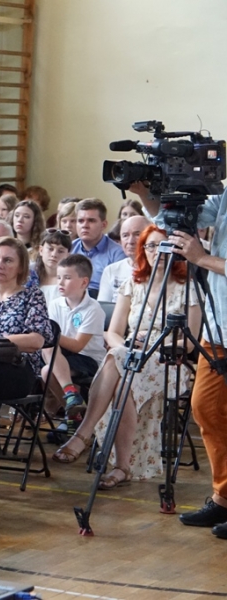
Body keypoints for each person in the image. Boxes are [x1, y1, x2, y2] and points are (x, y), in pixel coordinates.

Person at [52, 226, 200, 489]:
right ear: (143, 251)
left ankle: (84, 434)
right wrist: (131, 349)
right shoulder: (133, 284)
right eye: (152, 246)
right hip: (132, 357)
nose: (158, 252)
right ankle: (122, 467)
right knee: (122, 372)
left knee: (121, 365)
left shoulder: (188, 288)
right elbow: (113, 334)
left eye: (165, 246)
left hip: (169, 362)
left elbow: (189, 342)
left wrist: (154, 346)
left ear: (176, 251)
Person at [135, 184, 227, 537]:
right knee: (205, 408)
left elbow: (198, 255)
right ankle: (224, 496)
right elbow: (174, 219)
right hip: (219, 330)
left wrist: (202, 259)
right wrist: (144, 191)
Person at [0, 236, 54, 460]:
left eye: (7, 260)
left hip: (16, 371)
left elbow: (36, 340)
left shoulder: (31, 296)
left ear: (21, 267)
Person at [42, 254, 105, 420]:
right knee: (47, 356)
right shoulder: (55, 304)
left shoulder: (93, 309)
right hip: (62, 356)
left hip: (88, 359)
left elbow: (78, 346)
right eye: (58, 277)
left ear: (84, 282)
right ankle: (73, 408)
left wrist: (52, 334)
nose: (60, 283)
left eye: (67, 278)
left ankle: (72, 410)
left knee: (48, 365)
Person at [70, 198, 126, 295]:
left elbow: (118, 291)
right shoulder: (69, 248)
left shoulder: (118, 253)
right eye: (80, 221)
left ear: (103, 225)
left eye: (91, 221)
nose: (85, 225)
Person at [97, 215, 150, 302]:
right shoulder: (111, 270)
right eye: (125, 235)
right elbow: (104, 306)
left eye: (137, 234)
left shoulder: (158, 270)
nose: (130, 241)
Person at [35, 229, 72, 306]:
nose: (54, 254)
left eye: (60, 251)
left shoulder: (72, 281)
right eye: (50, 249)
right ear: (41, 250)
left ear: (68, 255)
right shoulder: (30, 277)